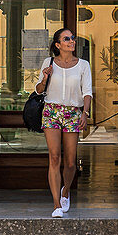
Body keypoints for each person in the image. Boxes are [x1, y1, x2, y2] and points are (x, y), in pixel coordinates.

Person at [35, 27, 92, 218]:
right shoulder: (49, 62)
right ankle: (56, 205)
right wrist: (44, 78)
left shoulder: (83, 65)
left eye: (73, 38)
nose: (72, 41)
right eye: (67, 39)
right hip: (52, 110)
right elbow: (38, 90)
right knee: (54, 157)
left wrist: (85, 113)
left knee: (69, 162)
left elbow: (87, 92)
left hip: (73, 112)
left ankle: (65, 190)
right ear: (58, 45)